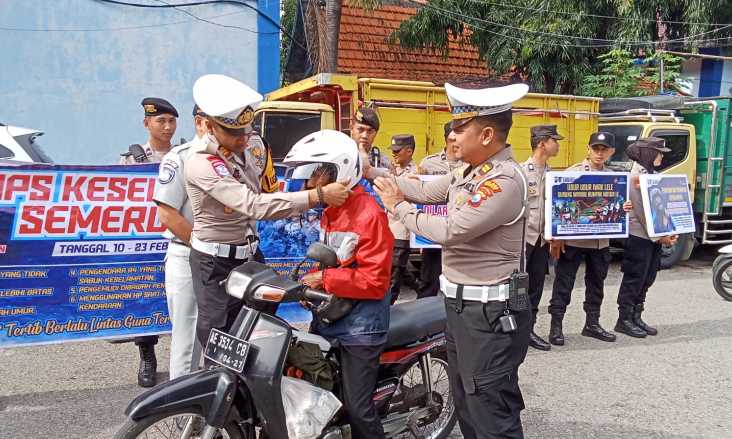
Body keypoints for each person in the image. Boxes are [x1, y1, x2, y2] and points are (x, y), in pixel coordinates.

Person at [372, 82, 531, 438]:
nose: (452, 136)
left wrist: (398, 207)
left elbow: (451, 230)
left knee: (490, 411)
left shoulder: (503, 180)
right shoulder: (469, 171)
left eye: (460, 128)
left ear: (486, 135)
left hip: (489, 314)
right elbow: (425, 188)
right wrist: (371, 173)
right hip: (461, 308)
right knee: (466, 401)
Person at [184, 74, 350, 348]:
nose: (243, 138)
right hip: (215, 263)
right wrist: (317, 195)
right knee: (220, 338)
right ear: (211, 127)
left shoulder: (253, 146)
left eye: (247, 129)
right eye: (234, 132)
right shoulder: (201, 162)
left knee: (263, 326)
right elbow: (253, 204)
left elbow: (269, 192)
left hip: (250, 254)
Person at [286, 130, 393, 439]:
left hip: (362, 326)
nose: (309, 183)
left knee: (357, 408)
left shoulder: (369, 214)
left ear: (340, 171)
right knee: (319, 393)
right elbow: (335, 260)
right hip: (332, 316)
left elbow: (375, 281)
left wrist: (324, 279)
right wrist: (313, 289)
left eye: (316, 174)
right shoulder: (332, 210)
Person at [547, 132, 632, 346]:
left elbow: (617, 207)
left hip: (600, 242)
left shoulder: (615, 179)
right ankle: (556, 326)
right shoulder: (573, 173)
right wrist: (557, 237)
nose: (599, 153)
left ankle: (592, 324)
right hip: (573, 241)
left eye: (604, 149)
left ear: (611, 152)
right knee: (564, 283)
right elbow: (557, 205)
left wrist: (624, 207)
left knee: (596, 284)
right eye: (596, 148)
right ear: (588, 149)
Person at [117, 97, 178, 387]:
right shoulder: (130, 160)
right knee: (145, 296)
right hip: (144, 240)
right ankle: (147, 356)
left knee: (184, 302)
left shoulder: (184, 155)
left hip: (178, 235)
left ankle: (184, 361)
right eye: (160, 121)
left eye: (171, 121)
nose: (167, 127)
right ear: (146, 123)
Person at [152, 104, 206, 381]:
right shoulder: (181, 158)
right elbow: (167, 214)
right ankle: (184, 405)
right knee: (187, 343)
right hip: (188, 255)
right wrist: (204, 247)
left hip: (225, 258)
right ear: (200, 122)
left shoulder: (233, 158)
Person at [616, 137, 677, 338]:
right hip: (639, 236)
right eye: (659, 153)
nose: (661, 156)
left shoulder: (652, 175)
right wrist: (660, 237)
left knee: (648, 277)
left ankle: (636, 316)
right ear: (648, 154)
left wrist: (670, 230)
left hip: (653, 236)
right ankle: (624, 319)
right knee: (634, 277)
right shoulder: (635, 177)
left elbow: (661, 207)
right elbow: (642, 211)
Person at [522, 124, 563, 352]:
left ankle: (529, 330)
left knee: (536, 287)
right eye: (554, 140)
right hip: (522, 241)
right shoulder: (520, 172)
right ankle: (514, 331)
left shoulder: (554, 175)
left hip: (541, 241)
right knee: (516, 288)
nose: (557, 145)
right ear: (542, 143)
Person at [416, 122, 463, 298]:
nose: (456, 142)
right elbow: (420, 196)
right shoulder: (429, 163)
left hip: (458, 230)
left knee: (456, 282)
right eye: (453, 138)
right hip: (434, 231)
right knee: (429, 280)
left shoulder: (469, 164)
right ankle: (423, 311)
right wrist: (418, 238)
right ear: (446, 138)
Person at [387, 134, 417, 304]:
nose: (394, 154)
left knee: (395, 272)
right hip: (387, 229)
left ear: (409, 151)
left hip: (400, 229)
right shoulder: (392, 169)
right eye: (393, 150)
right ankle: (422, 289)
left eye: (397, 151)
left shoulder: (415, 174)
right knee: (395, 267)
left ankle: (388, 307)